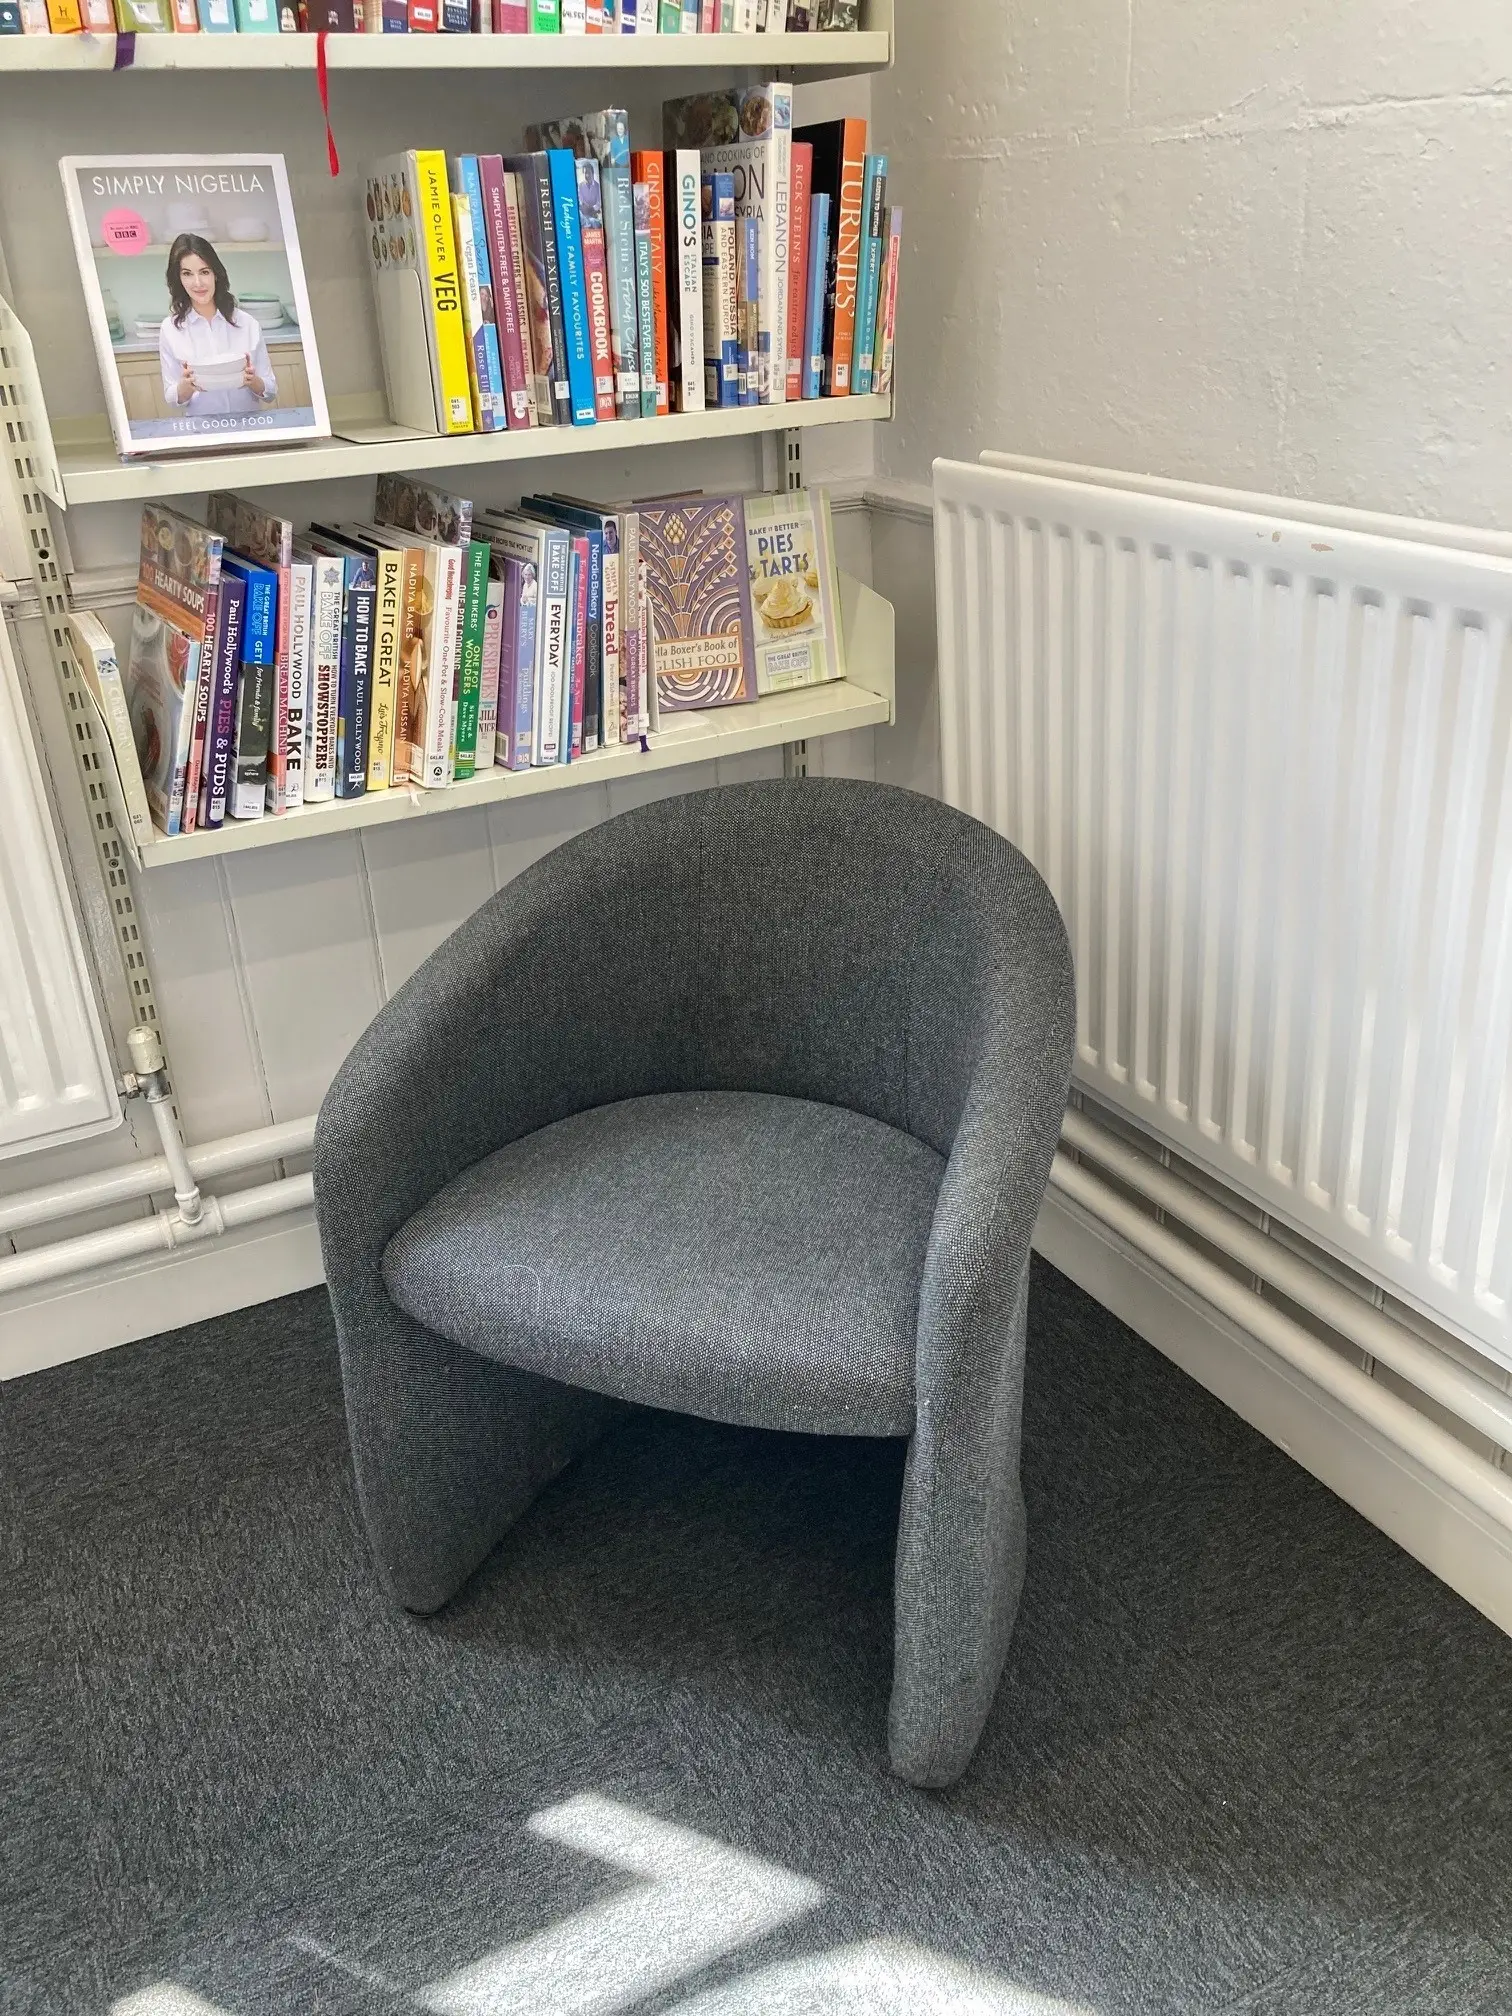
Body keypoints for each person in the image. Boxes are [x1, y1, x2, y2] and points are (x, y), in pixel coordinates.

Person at [157, 233, 278, 419]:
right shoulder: (170, 329)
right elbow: (172, 398)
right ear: (178, 279)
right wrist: (185, 387)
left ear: (216, 274)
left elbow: (270, 392)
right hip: (201, 429)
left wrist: (253, 381)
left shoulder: (247, 323)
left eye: (204, 272)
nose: (197, 283)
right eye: (187, 274)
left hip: (250, 426)